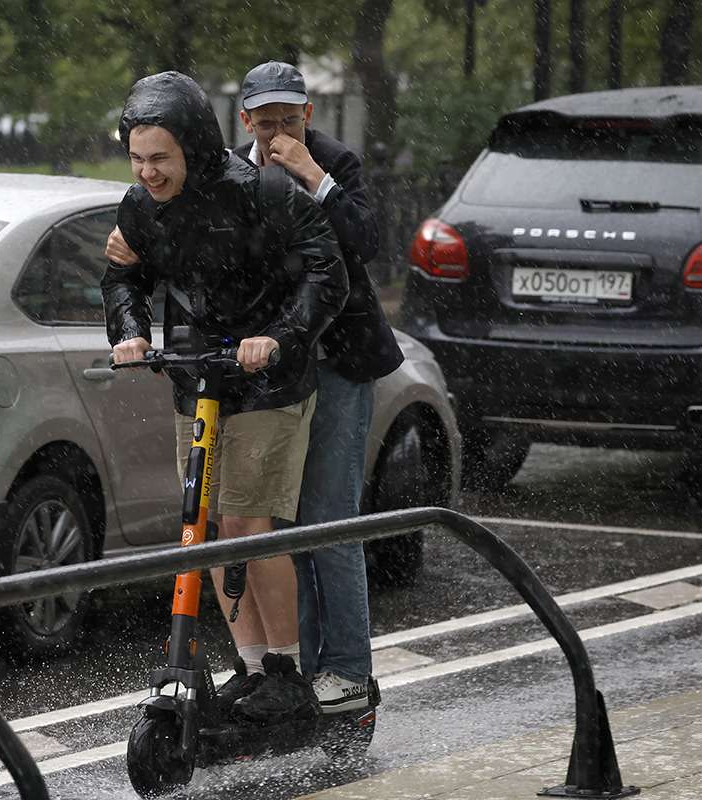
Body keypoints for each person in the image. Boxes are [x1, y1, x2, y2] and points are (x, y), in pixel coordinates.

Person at [102, 71, 348, 724]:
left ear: (195, 150)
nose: (149, 172)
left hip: (270, 381)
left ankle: (287, 671)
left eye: (161, 158)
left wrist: (279, 336)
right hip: (197, 376)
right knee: (207, 525)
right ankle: (249, 667)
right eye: (138, 159)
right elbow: (122, 280)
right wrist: (131, 333)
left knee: (246, 520)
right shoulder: (140, 208)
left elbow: (329, 272)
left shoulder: (260, 192)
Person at [234, 61, 405, 714]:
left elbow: (365, 239)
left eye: (289, 119)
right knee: (280, 520)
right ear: (245, 120)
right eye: (265, 120)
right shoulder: (236, 171)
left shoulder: (336, 161)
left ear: (308, 116)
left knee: (330, 518)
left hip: (336, 358)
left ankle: (350, 670)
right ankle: (298, 664)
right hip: (278, 364)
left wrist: (314, 175)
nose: (277, 131)